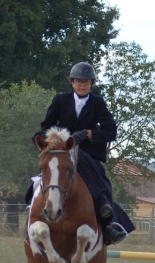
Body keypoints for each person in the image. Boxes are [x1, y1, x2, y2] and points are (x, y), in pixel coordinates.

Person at [29, 61, 134, 245]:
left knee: (102, 179)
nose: (82, 84)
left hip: (88, 153)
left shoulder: (98, 103)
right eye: (79, 81)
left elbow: (111, 131)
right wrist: (54, 140)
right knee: (47, 171)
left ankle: (108, 219)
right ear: (72, 82)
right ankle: (32, 206)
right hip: (62, 149)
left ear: (91, 84)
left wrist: (88, 134)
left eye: (86, 82)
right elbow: (47, 126)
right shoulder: (60, 100)